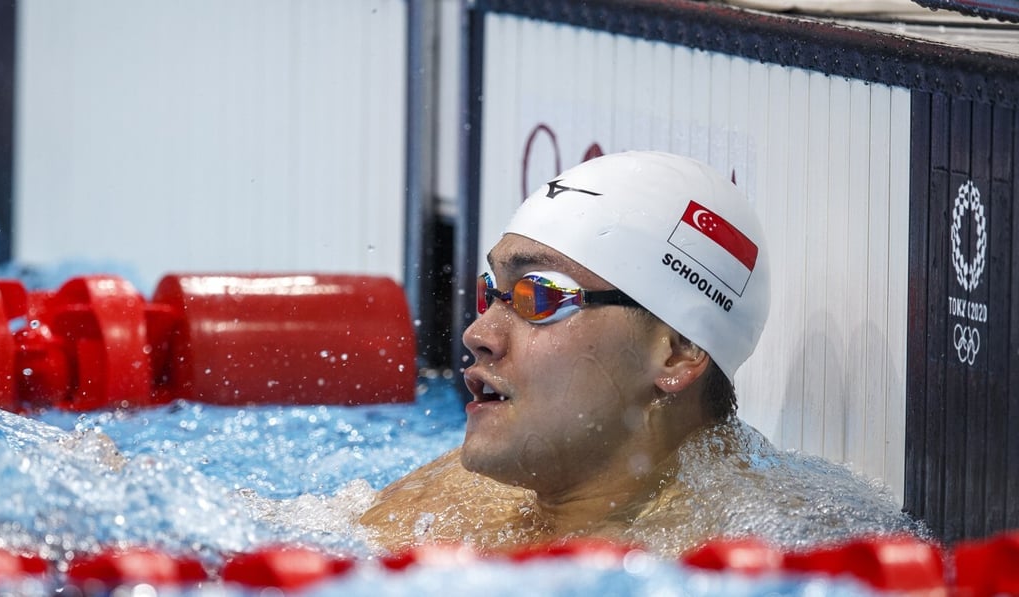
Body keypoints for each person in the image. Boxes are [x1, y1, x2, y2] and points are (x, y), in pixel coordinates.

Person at [358, 151, 923, 556]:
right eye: (491, 292)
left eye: (540, 296)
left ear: (676, 353)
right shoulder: (449, 502)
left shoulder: (762, 552)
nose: (479, 332)